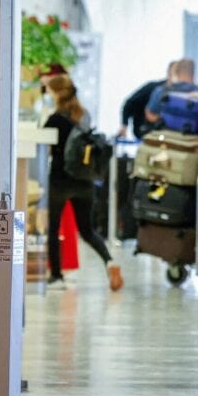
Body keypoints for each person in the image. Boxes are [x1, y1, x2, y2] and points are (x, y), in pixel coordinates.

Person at [43, 74, 124, 292]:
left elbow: (47, 148)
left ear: (56, 94)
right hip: (84, 181)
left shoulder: (54, 120)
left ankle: (57, 276)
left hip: (60, 180)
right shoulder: (84, 116)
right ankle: (110, 261)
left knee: (53, 229)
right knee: (87, 230)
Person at [119, 61, 174, 139]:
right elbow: (130, 103)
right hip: (145, 129)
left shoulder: (182, 93)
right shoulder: (153, 88)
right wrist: (124, 125)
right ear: (169, 73)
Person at [146, 58, 198, 125]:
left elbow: (150, 114)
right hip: (194, 133)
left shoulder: (161, 91)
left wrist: (163, 118)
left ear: (176, 72)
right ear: (193, 73)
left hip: (166, 132)